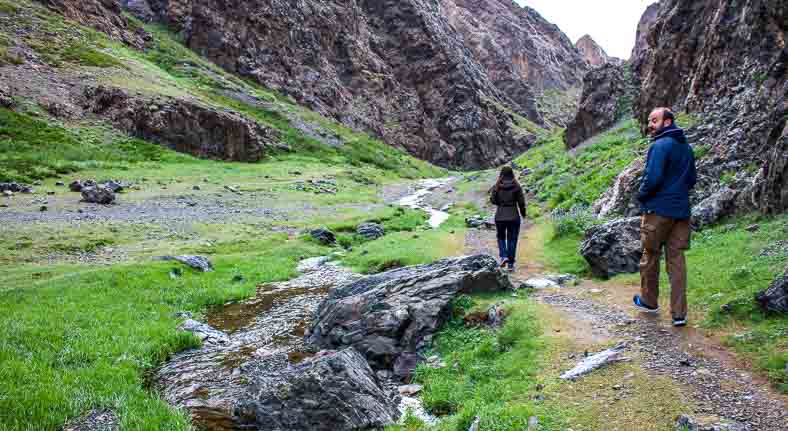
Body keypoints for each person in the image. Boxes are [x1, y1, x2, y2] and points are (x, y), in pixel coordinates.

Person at [633, 107, 697, 327]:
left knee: (650, 255)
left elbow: (653, 178)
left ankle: (649, 301)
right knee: (677, 259)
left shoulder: (659, 145)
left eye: (654, 120)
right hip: (681, 212)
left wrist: (641, 196)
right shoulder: (686, 147)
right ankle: (679, 314)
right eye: (649, 120)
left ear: (667, 122)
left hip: (658, 211)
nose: (650, 124)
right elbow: (692, 179)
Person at [490, 166, 526, 272]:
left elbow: (493, 200)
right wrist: (523, 214)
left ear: (501, 174)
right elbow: (521, 202)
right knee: (512, 239)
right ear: (512, 174)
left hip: (500, 216)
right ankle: (510, 264)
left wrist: (501, 204)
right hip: (514, 216)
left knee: (501, 237)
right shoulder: (516, 186)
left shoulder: (497, 186)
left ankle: (503, 256)